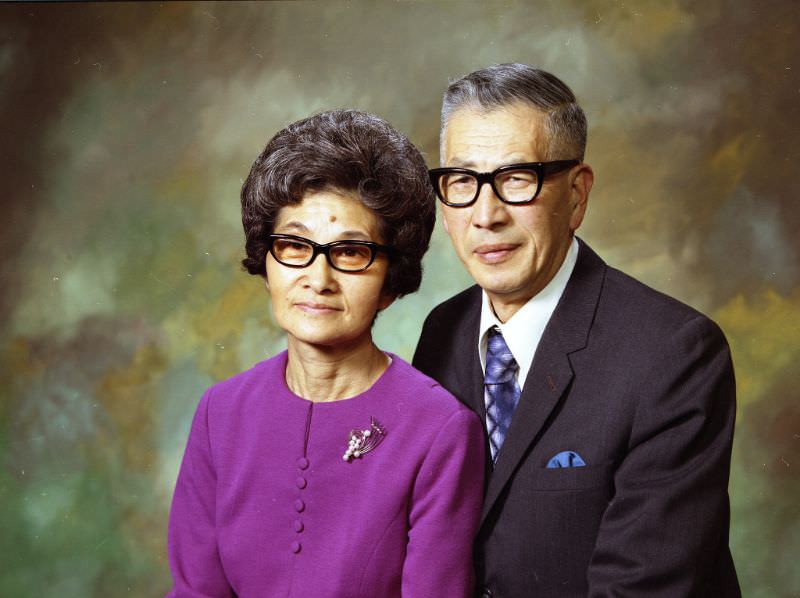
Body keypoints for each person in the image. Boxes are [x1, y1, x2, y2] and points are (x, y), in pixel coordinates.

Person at [413, 64, 740, 597]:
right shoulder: (442, 332)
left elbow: (641, 589)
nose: (485, 214)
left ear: (577, 194)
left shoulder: (675, 353)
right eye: (463, 181)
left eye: (518, 178)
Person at [166, 109, 485, 598]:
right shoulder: (220, 413)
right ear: (266, 259)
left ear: (390, 281)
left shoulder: (440, 429)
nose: (318, 279)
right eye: (294, 245)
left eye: (351, 252)